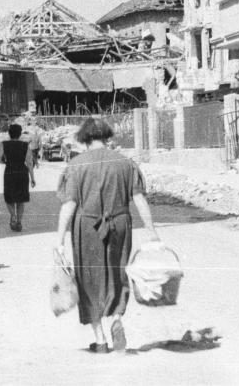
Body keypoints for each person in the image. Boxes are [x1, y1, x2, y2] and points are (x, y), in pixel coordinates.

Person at [55, 117, 158, 353]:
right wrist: (152, 231)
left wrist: (59, 241)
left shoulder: (77, 164)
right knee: (117, 273)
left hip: (87, 228)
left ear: (85, 139)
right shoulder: (125, 163)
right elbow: (140, 200)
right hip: (120, 224)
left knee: (89, 279)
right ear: (106, 136)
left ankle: (100, 340)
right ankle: (117, 319)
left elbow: (69, 205)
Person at [0, 123, 36, 231]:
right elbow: (29, 163)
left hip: (9, 171)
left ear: (9, 134)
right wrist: (32, 178)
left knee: (9, 198)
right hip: (22, 173)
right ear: (19, 134)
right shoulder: (25, 145)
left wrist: (6, 161)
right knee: (20, 199)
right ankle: (19, 222)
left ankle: (13, 215)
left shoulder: (3, 144)